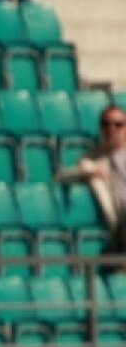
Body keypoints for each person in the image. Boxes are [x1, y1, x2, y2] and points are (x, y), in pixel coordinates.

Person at [56, 104, 126, 251]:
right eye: (106, 124)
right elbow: (60, 176)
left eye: (118, 125)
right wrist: (88, 172)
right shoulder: (92, 159)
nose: (111, 129)